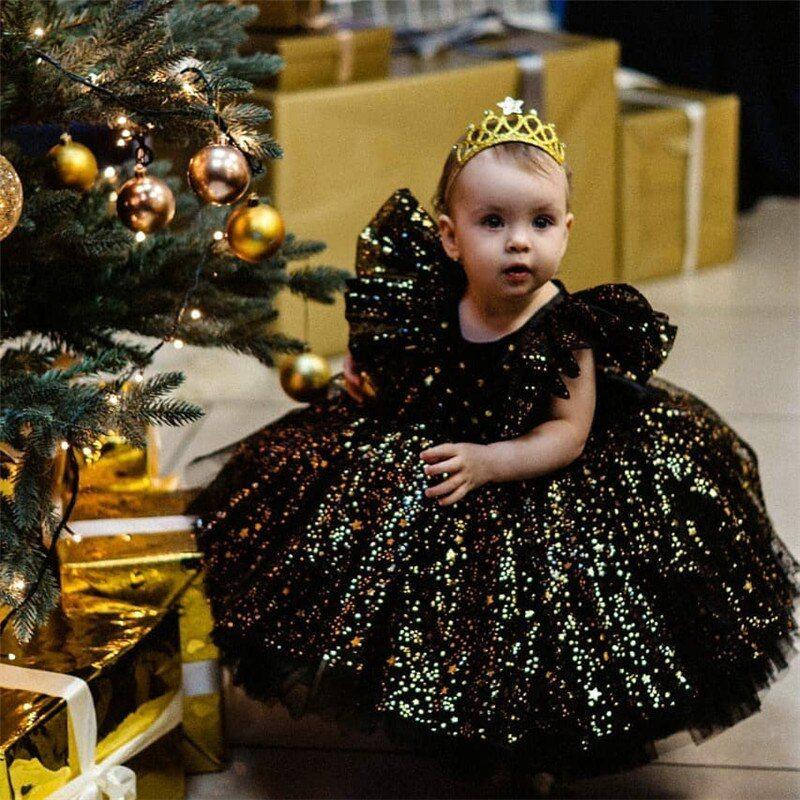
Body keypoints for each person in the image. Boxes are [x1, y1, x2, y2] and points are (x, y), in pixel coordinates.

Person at [189, 97, 799, 796]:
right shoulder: (432, 295)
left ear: (567, 229)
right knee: (406, 577)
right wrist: (363, 374)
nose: (518, 243)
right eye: (493, 223)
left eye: (540, 223)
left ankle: (533, 744)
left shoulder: (568, 331)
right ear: (450, 238)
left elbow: (567, 436)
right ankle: (435, 703)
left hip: (539, 474)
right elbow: (397, 349)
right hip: (446, 444)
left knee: (533, 618)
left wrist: (488, 462)